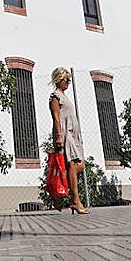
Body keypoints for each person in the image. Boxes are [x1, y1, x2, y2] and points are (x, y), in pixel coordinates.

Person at [49, 66, 89, 215]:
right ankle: (75, 201)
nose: (68, 82)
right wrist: (59, 135)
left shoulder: (64, 95)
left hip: (73, 135)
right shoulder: (55, 96)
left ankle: (58, 197)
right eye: (66, 80)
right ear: (59, 79)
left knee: (78, 165)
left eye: (69, 80)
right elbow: (56, 117)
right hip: (65, 134)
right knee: (72, 164)